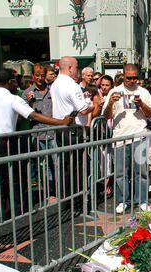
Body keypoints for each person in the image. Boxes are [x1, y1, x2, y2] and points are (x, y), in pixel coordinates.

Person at [0, 68, 73, 217]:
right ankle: (16, 210)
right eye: (15, 81)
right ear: (10, 82)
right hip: (6, 141)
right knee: (14, 176)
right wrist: (61, 122)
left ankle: (0, 213)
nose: (16, 84)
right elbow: (33, 115)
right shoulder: (12, 98)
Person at [102, 63, 151, 214]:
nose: (132, 81)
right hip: (120, 137)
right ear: (123, 76)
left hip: (140, 136)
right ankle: (122, 200)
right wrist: (111, 102)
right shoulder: (114, 91)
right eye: (129, 78)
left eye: (135, 78)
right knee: (120, 173)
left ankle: (142, 200)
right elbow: (106, 115)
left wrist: (141, 105)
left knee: (142, 172)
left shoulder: (143, 92)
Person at [50, 56, 93, 199]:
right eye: (76, 67)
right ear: (69, 68)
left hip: (60, 128)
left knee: (65, 164)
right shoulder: (71, 85)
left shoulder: (55, 84)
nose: (77, 70)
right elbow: (83, 110)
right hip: (73, 129)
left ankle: (67, 195)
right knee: (77, 165)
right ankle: (76, 196)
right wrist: (91, 105)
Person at [22, 63, 58, 202]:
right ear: (33, 76)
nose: (40, 78)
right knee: (44, 165)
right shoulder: (27, 93)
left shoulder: (52, 90)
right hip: (38, 134)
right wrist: (30, 103)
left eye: (42, 75)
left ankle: (60, 190)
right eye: (37, 75)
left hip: (54, 132)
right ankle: (49, 193)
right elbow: (24, 114)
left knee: (57, 163)